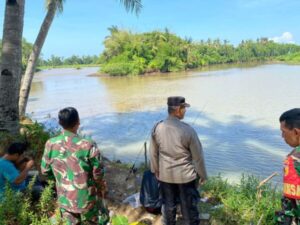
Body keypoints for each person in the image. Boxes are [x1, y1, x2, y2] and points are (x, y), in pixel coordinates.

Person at [41, 107, 109, 225]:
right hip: (88, 200)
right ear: (78, 122)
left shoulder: (50, 144)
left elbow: (45, 171)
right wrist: (102, 189)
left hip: (65, 199)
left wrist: (61, 181)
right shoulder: (88, 145)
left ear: (60, 123)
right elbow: (98, 174)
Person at [150, 96, 207, 225]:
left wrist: (155, 170)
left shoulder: (157, 128)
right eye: (184, 108)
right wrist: (202, 175)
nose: (185, 111)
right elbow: (198, 157)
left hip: (165, 176)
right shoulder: (188, 130)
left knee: (168, 206)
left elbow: (153, 153)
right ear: (177, 110)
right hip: (185, 177)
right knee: (189, 209)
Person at [275, 108, 300, 224]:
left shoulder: (294, 160)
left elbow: (293, 205)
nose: (282, 136)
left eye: (284, 132)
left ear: (296, 132)